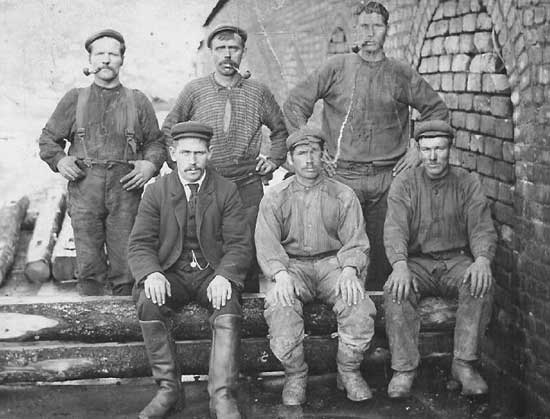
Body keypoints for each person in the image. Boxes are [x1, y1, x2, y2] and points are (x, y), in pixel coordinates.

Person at [283, 1, 449, 290]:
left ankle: (382, 323)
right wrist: (312, 149)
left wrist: (416, 149)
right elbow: (295, 104)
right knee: (343, 252)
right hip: (343, 176)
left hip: (390, 178)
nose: (370, 33)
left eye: (377, 26)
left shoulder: (400, 72)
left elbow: (437, 111)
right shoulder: (336, 67)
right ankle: (347, 320)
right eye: (364, 27)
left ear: (387, 30)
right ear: (355, 32)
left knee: (386, 252)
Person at [128, 121, 251, 419]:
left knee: (229, 304)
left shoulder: (226, 190)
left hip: (212, 273)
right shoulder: (156, 191)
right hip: (172, 273)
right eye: (185, 153)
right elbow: (139, 243)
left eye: (199, 153)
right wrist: (152, 273)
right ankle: (169, 390)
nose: (192, 161)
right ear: (173, 153)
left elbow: (239, 244)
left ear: (210, 153)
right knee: (148, 300)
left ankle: (221, 396)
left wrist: (225, 275)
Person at [38, 29, 166, 296]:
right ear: (90, 60)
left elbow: (156, 142)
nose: (106, 59)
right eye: (100, 54)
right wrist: (60, 160)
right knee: (89, 263)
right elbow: (48, 139)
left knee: (127, 262)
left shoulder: (137, 100)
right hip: (85, 185)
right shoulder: (75, 99)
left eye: (113, 54)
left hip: (126, 188)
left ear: (122, 60)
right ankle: (91, 315)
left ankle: (126, 322)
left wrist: (150, 165)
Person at [162, 24, 288, 292]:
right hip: (209, 180)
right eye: (221, 49)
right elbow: (169, 129)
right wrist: (181, 166)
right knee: (208, 244)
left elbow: (280, 130)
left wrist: (274, 159)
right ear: (211, 53)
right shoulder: (195, 90)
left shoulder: (257, 91)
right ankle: (215, 307)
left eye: (234, 48)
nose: (227, 55)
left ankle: (250, 314)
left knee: (247, 247)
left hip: (247, 183)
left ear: (243, 52)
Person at [256, 127, 377, 405]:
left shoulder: (343, 194)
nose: (309, 159)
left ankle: (348, 371)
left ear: (323, 155)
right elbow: (266, 242)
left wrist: (350, 270)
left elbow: (356, 240)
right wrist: (280, 274)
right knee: (280, 307)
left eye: (314, 152)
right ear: (290, 158)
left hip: (333, 265)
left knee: (358, 304)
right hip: (293, 267)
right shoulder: (276, 196)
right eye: (301, 153)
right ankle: (295, 375)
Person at [383, 120, 497, 398]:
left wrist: (482, 260)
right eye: (426, 150)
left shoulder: (467, 182)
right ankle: (404, 369)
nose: (432, 157)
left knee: (480, 284)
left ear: (450, 149)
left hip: (456, 261)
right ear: (418, 151)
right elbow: (394, 227)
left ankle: (464, 364)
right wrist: (399, 264)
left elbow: (481, 226)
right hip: (417, 262)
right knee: (395, 289)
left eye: (439, 149)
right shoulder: (405, 183)